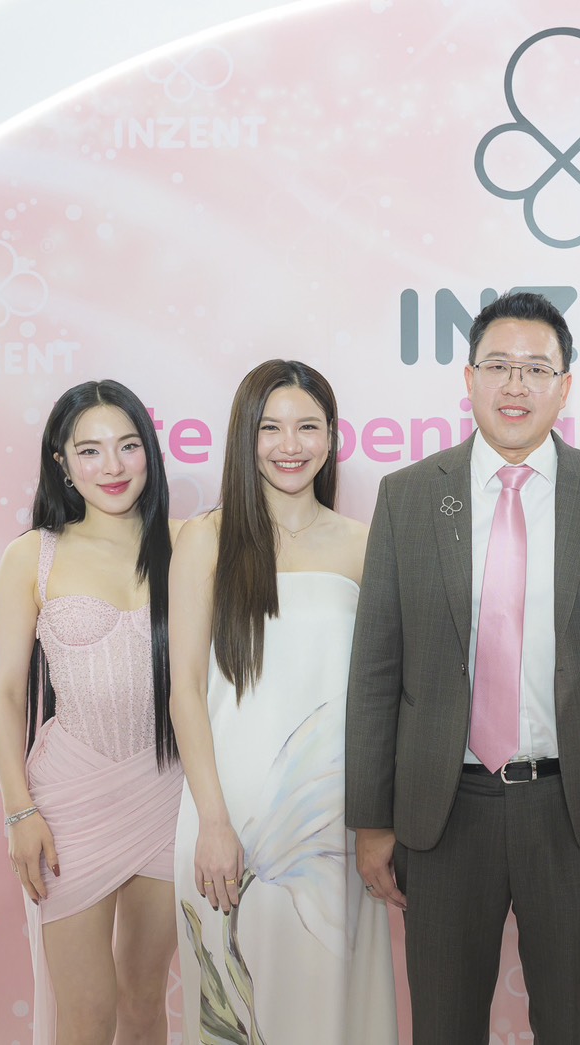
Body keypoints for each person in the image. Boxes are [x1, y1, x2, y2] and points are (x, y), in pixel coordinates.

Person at [346, 291, 580, 1044]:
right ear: (468, 379)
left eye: (536, 368)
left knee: (571, 1025)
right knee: (442, 1025)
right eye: (498, 365)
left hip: (573, 809)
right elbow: (375, 672)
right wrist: (371, 818)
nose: (515, 384)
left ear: (566, 386)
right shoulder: (407, 498)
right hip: (442, 810)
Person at [168, 360, 396, 1042]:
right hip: (227, 814)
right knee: (240, 1014)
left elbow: (382, 693)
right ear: (246, 436)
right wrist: (213, 822)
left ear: (331, 436)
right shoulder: (205, 539)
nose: (289, 445)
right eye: (270, 428)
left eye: (307, 427)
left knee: (331, 1013)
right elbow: (185, 689)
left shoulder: (364, 543)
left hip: (332, 821)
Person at [0, 379, 183, 1044]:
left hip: (167, 790)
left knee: (144, 999)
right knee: (88, 1012)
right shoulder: (32, 555)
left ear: (149, 451)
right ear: (62, 462)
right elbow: (5, 694)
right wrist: (20, 811)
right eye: (90, 450)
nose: (113, 466)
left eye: (128, 445)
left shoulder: (188, 545)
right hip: (67, 799)